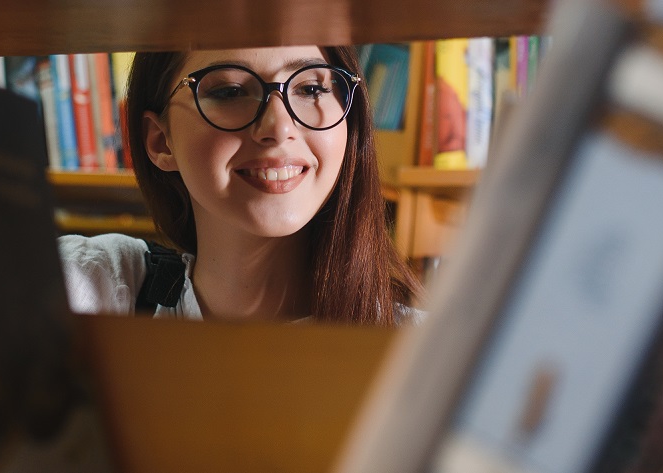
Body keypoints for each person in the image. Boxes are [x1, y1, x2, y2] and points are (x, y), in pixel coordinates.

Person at [59, 45, 421, 326]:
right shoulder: (101, 286)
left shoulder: (421, 354)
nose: (279, 128)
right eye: (231, 92)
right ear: (159, 141)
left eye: (311, 87)